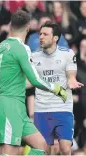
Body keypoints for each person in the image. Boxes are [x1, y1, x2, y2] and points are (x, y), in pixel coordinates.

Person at [0, 10, 68, 155]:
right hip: (9, 106)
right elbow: (35, 79)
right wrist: (57, 89)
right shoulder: (22, 48)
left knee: (41, 145)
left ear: (11, 27)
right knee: (10, 152)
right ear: (28, 28)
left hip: (16, 106)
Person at [32, 21, 84, 155]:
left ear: (55, 38)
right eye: (40, 34)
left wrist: (72, 81)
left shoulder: (67, 53)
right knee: (45, 149)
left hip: (62, 107)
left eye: (45, 34)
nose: (41, 37)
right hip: (41, 109)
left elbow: (71, 75)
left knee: (66, 149)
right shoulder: (33, 57)